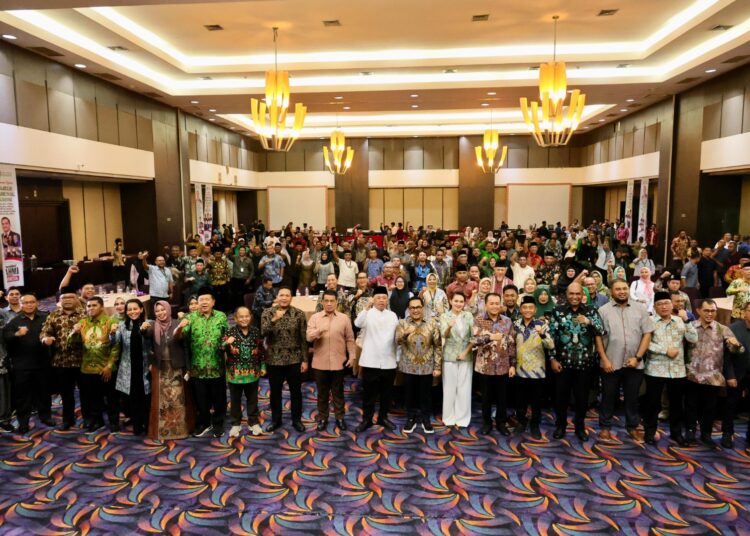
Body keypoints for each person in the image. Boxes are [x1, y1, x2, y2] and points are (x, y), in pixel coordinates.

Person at [596, 279, 653, 442]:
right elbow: (598, 337)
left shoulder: (640, 309)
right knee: (608, 397)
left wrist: (638, 358)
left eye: (624, 288)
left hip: (634, 363)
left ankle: (632, 427)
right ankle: (605, 427)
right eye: (618, 289)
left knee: (632, 398)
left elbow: (647, 334)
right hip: (610, 362)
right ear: (611, 292)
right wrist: (604, 360)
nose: (622, 292)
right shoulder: (603, 311)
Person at [548, 283, 606, 442]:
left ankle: (580, 427)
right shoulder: (558, 311)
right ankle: (560, 426)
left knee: (582, 399)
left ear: (582, 295)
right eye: (571, 293)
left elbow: (602, 331)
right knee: (561, 398)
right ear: (566, 294)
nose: (574, 297)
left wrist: (589, 322)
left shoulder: (591, 310)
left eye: (578, 294)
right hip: (562, 363)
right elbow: (551, 336)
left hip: (585, 364)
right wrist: (552, 358)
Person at [685, 299, 745, 448]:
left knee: (709, 408)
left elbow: (736, 350)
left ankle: (706, 434)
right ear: (698, 311)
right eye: (706, 310)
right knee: (690, 405)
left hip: (713, 376)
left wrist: (736, 345)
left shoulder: (723, 329)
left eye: (713, 311)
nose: (710, 314)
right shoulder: (690, 327)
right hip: (691, 374)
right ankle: (690, 432)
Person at [643, 291, 697, 447]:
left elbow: (693, 339)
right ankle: (649, 433)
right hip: (655, 369)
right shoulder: (649, 321)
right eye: (659, 304)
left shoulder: (680, 320)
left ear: (672, 304)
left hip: (677, 370)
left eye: (666, 303)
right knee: (652, 404)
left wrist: (687, 321)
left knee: (676, 404)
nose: (664, 307)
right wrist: (664, 350)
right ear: (654, 307)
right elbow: (645, 343)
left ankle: (676, 433)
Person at [175, 292, 229, 438]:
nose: (204, 302)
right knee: (201, 398)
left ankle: (218, 423)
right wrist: (179, 327)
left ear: (213, 302)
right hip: (197, 366)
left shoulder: (221, 316)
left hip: (217, 365)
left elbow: (227, 335)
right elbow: (180, 337)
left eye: (207, 299)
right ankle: (204, 423)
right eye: (201, 300)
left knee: (219, 398)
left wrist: (224, 345)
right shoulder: (191, 318)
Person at [307, 290, 356, 432]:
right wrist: (318, 331)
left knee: (338, 392)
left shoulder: (344, 318)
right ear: (322, 302)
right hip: (320, 363)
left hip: (339, 362)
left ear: (336, 302)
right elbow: (308, 338)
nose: (329, 304)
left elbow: (350, 339)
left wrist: (352, 356)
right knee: (322, 393)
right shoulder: (315, 318)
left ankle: (340, 417)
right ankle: (323, 417)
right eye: (326, 301)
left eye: (332, 301)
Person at [261, 287, 308, 433]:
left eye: (287, 295)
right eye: (281, 295)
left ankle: (296, 420)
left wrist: (305, 360)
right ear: (277, 297)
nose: (284, 298)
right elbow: (263, 332)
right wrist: (274, 320)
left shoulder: (299, 314)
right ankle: (276, 420)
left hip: (294, 358)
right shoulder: (268, 312)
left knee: (296, 391)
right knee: (275, 392)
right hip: (274, 359)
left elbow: (303, 339)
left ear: (291, 298)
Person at [354, 286, 399, 432]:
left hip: (388, 360)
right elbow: (357, 324)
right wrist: (366, 308)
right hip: (370, 360)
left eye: (384, 298)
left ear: (387, 300)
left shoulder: (392, 315)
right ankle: (367, 419)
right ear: (373, 299)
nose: (381, 300)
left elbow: (397, 337)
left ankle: (383, 418)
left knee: (387, 393)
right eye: (378, 298)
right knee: (369, 394)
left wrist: (398, 357)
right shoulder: (367, 314)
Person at [72, 297, 121, 432]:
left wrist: (109, 366)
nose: (91, 308)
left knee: (111, 398)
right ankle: (97, 421)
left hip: (106, 367)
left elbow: (116, 346)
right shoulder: (82, 323)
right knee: (93, 398)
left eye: (94, 305)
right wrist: (75, 333)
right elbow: (73, 344)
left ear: (102, 307)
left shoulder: (111, 322)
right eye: (88, 306)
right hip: (87, 368)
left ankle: (114, 422)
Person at [4, 294, 51, 434]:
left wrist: (50, 339)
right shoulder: (14, 321)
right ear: (21, 304)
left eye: (32, 302)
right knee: (23, 396)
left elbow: (53, 332)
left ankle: (45, 417)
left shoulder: (45, 318)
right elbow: (5, 337)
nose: (29, 305)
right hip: (22, 365)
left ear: (37, 303)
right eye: (26, 302)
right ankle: (23, 422)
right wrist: (16, 335)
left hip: (42, 363)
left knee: (44, 393)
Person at [472, 292, 516, 436]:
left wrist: (512, 364)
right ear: (486, 305)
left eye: (497, 303)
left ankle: (501, 423)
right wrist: (489, 337)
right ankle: (487, 423)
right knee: (486, 397)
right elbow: (474, 341)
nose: (495, 306)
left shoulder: (507, 321)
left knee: (502, 397)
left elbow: (512, 344)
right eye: (491, 303)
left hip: (503, 365)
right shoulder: (478, 320)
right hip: (485, 366)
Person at [40, 288, 84, 430]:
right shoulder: (53, 315)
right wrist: (45, 339)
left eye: (71, 297)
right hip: (61, 361)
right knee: (66, 394)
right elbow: (44, 332)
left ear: (77, 299)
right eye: (64, 298)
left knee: (86, 393)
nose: (67, 300)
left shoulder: (85, 314)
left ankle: (89, 418)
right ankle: (68, 420)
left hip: (83, 360)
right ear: (60, 300)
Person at [397, 296, 442, 434]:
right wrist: (405, 333)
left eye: (418, 307)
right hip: (408, 366)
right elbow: (397, 341)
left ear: (423, 308)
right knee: (409, 395)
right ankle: (410, 418)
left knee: (426, 395)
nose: (415, 310)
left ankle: (425, 419)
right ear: (408, 309)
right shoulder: (402, 323)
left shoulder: (432, 323)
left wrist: (437, 367)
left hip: (426, 366)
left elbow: (438, 346)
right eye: (412, 308)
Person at [149, 301, 193, 440]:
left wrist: (188, 367)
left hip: (177, 367)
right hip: (161, 369)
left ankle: (180, 431)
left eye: (163, 310)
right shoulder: (152, 326)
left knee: (178, 399)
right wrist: (143, 329)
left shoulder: (177, 323)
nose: (160, 313)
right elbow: (146, 336)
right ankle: (163, 431)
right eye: (157, 311)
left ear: (168, 310)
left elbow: (185, 345)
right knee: (163, 401)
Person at [514, 295, 554, 439]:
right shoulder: (516, 324)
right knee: (520, 399)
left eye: (531, 307)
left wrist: (542, 335)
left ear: (535, 309)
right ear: (521, 309)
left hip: (537, 370)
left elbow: (551, 345)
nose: (528, 310)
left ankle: (535, 424)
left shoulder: (542, 324)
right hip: (520, 368)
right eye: (525, 307)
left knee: (536, 400)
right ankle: (521, 421)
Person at [111, 299, 152, 435]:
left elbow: (153, 343)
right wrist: (112, 333)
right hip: (129, 368)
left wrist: (146, 330)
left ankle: (148, 425)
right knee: (133, 399)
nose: (132, 312)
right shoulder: (122, 326)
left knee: (146, 398)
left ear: (141, 309)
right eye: (129, 309)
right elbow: (114, 342)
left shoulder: (148, 323)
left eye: (135, 309)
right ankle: (137, 426)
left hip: (145, 367)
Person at [224, 307, 265, 438]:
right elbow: (220, 348)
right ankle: (236, 423)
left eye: (246, 316)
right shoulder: (230, 331)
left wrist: (263, 366)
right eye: (241, 317)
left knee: (252, 399)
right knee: (235, 400)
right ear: (235, 318)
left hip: (252, 372)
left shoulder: (255, 331)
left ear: (250, 317)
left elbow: (260, 350)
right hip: (234, 373)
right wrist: (226, 343)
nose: (244, 319)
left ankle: (253, 422)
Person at [440, 292, 474, 428]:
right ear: (450, 301)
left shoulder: (468, 315)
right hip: (449, 355)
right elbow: (444, 334)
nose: (459, 304)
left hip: (466, 355)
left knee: (464, 388)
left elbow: (473, 336)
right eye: (456, 301)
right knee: (449, 388)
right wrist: (449, 326)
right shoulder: (444, 316)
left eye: (461, 301)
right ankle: (448, 418)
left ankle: (462, 419)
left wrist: (466, 352)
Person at [724, 301, 750, 449]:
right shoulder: (733, 329)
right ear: (744, 313)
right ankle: (727, 434)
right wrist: (730, 375)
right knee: (731, 405)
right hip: (737, 373)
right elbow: (726, 356)